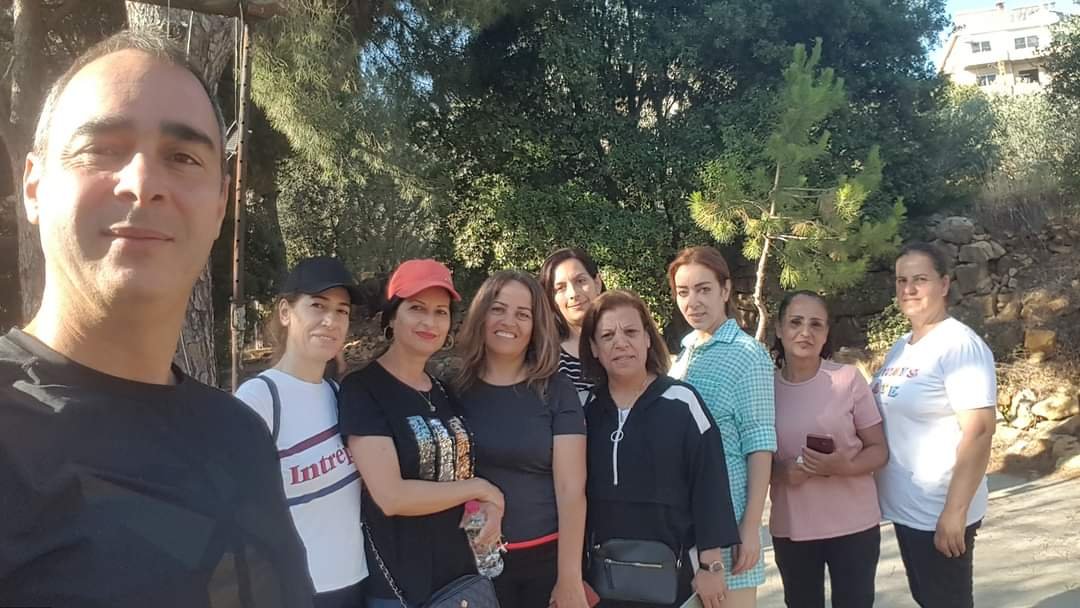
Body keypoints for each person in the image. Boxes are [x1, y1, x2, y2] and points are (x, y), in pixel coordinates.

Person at [0, 31, 313, 607]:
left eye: (183, 158)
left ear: (219, 205)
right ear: (35, 187)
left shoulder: (241, 436)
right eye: (100, 149)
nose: (142, 184)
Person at [338, 259, 504, 608]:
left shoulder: (445, 392)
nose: (430, 322)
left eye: (440, 312)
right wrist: (482, 488)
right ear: (391, 317)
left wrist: (487, 509)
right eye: (416, 308)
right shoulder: (363, 390)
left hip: (460, 578)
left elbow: (458, 474)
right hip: (401, 586)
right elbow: (391, 496)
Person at [580, 290, 740, 608]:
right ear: (594, 348)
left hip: (674, 575)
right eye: (607, 336)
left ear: (647, 339)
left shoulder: (682, 402)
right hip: (603, 579)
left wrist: (711, 566)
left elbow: (709, 485)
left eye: (630, 332)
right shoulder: (585, 409)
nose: (620, 343)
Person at [235, 257, 369, 608]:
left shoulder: (339, 395)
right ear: (285, 312)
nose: (331, 321)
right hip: (293, 592)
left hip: (357, 583)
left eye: (342, 311)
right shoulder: (260, 398)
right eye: (317, 306)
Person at [872, 242, 996, 608]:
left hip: (939, 512)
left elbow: (979, 430)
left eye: (920, 279)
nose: (908, 289)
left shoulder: (959, 345)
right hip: (908, 510)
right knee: (927, 598)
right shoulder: (901, 347)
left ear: (944, 284)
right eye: (902, 280)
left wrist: (954, 512)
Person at [455, 270, 588, 608]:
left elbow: (571, 490)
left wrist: (569, 578)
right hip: (470, 563)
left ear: (535, 325)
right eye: (498, 309)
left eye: (522, 314)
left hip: (545, 562)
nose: (508, 322)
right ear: (481, 314)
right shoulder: (454, 388)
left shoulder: (557, 390)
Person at [667, 246, 775, 608]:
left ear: (725, 290)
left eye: (704, 289)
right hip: (686, 523)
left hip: (729, 523)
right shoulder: (683, 354)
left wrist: (751, 527)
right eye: (683, 292)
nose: (693, 301)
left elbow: (759, 443)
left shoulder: (748, 354)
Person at [768, 291, 888, 608]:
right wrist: (781, 472)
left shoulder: (848, 379)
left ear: (825, 334)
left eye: (815, 324)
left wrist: (842, 467)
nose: (805, 332)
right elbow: (753, 462)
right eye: (795, 322)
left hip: (854, 527)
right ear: (779, 328)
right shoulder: (763, 389)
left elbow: (879, 450)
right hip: (792, 528)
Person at [539, 248, 604, 398]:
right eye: (560, 288)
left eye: (580, 281)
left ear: (597, 283)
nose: (573, 294)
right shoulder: (546, 357)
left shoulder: (624, 343)